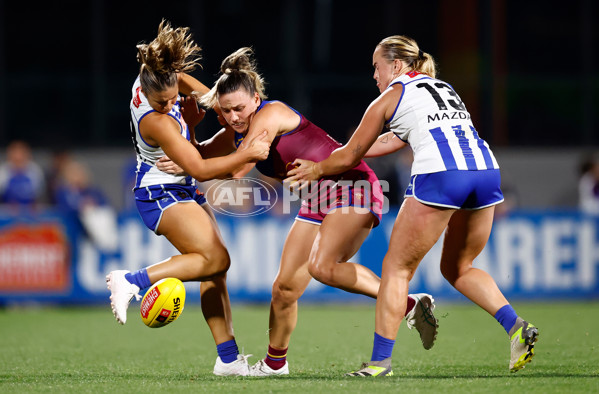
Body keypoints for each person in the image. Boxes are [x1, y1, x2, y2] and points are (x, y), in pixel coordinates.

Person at [160, 47, 439, 377]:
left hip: (353, 186)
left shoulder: (271, 113)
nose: (235, 116)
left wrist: (188, 161)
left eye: (239, 108)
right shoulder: (234, 133)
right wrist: (191, 134)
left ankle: (405, 300)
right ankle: (275, 364)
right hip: (319, 197)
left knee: (323, 267)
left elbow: (234, 168)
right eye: (227, 111)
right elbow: (201, 156)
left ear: (256, 98)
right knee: (284, 289)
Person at [286, 35, 539, 376]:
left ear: (395, 65)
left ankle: (379, 363)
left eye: (376, 67)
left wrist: (316, 167)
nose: (374, 76)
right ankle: (516, 326)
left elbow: (350, 154)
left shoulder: (389, 98)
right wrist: (345, 150)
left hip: (441, 175)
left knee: (396, 270)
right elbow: (390, 139)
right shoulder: (442, 87)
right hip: (486, 173)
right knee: (458, 268)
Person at [105, 20, 270, 377]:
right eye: (161, 101)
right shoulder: (156, 121)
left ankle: (228, 358)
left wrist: (217, 106)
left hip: (179, 185)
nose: (169, 104)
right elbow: (201, 167)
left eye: (171, 97)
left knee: (217, 268)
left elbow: (192, 90)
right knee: (215, 259)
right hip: (159, 191)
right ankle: (132, 280)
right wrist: (248, 153)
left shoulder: (158, 76)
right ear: (147, 93)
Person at [0, 140, 45, 209]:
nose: (18, 157)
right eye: (15, 157)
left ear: (27, 155)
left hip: (30, 212)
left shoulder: (35, 171)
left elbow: (40, 195)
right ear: (10, 156)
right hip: (8, 211)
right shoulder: (3, 171)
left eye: (21, 155)